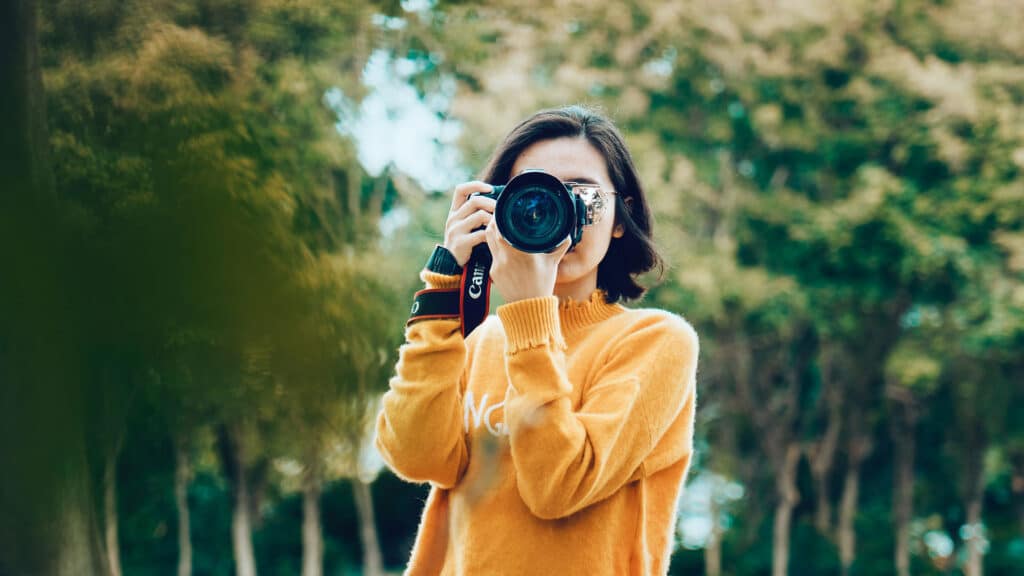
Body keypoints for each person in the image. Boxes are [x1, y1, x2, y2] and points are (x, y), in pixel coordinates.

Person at [375, 105, 699, 575]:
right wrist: (445, 284)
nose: (556, 211)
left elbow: (558, 488)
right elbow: (415, 455)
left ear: (619, 218)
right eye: (532, 194)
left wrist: (530, 315)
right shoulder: (479, 338)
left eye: (580, 195)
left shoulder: (655, 342)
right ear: (495, 207)